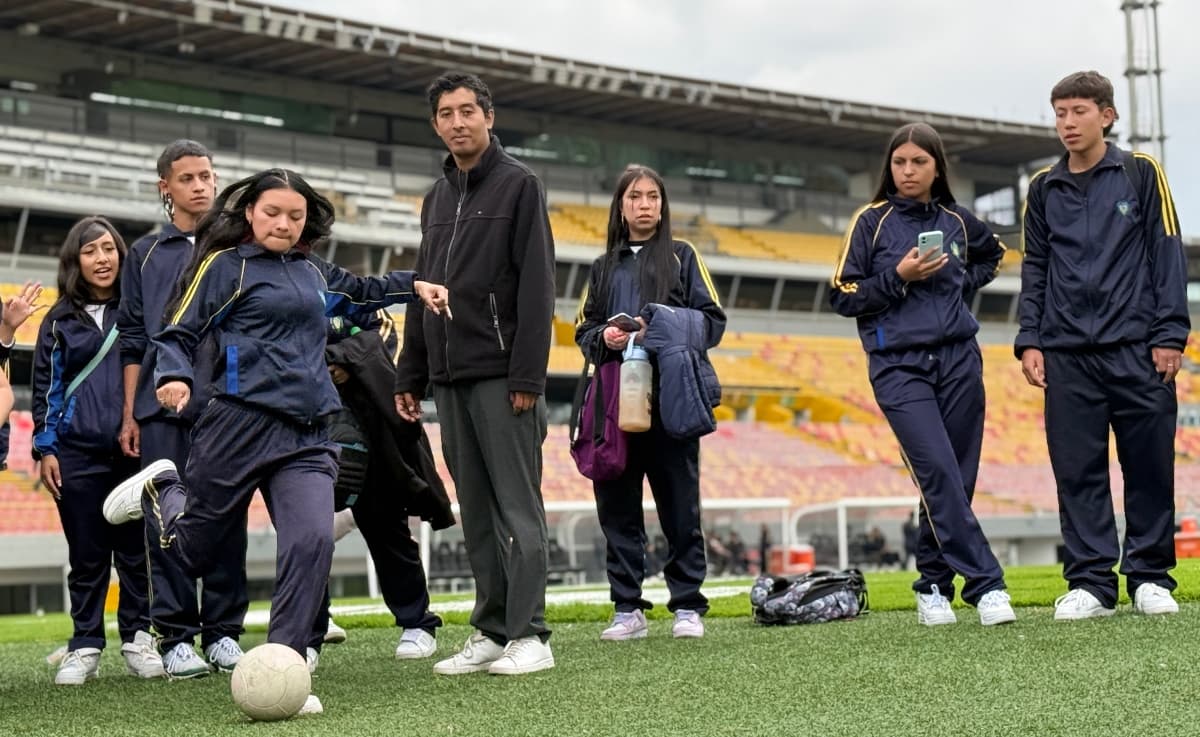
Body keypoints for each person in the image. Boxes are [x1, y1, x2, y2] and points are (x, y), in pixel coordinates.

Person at [102, 168, 448, 713]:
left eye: (296, 215)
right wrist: (174, 375)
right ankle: (161, 490)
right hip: (238, 424)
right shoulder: (224, 267)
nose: (284, 224)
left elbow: (360, 292)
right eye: (272, 213)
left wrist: (415, 285)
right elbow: (177, 329)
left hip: (309, 432)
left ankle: (286, 666)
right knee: (193, 550)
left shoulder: (313, 271)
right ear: (249, 214)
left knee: (311, 541)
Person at [394, 72, 556, 676]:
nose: (457, 121)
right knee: (478, 513)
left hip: (502, 374)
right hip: (448, 376)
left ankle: (531, 634)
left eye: (467, 110)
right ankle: (492, 629)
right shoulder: (436, 198)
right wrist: (410, 374)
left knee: (518, 508)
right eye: (445, 113)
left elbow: (539, 289)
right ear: (435, 124)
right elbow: (422, 288)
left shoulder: (521, 186)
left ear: (489, 116)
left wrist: (528, 377)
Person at [1017, 71, 1188, 620]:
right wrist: (1030, 339)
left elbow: (1166, 253)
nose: (1067, 123)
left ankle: (1149, 576)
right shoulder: (1043, 188)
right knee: (1078, 470)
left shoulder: (1141, 174)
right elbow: (1036, 268)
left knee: (1149, 467)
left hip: (1138, 349)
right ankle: (1091, 583)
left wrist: (1169, 334)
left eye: (1078, 111)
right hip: (1066, 354)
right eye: (1060, 112)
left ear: (1106, 115)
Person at [830, 122, 1015, 627]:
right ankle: (987, 585)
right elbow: (841, 295)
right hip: (898, 366)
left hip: (959, 360)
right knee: (936, 470)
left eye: (919, 163)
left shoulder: (957, 220)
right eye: (899, 162)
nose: (907, 171)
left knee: (957, 478)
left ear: (938, 168)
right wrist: (898, 278)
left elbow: (994, 255)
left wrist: (959, 287)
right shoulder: (871, 221)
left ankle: (932, 585)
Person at [574, 164, 725, 641]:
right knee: (616, 505)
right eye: (635, 196)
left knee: (680, 507)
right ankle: (627, 607)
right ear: (620, 206)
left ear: (663, 205)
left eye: (653, 196)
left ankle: (687, 605)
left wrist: (658, 325)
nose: (645, 204)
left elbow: (712, 322)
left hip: (672, 397)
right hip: (615, 403)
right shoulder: (601, 267)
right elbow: (583, 331)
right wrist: (609, 337)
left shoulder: (683, 256)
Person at [116, 139, 248, 678]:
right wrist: (130, 413)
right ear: (164, 187)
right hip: (159, 410)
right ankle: (174, 636)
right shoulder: (144, 253)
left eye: (208, 176)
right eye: (189, 177)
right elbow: (130, 340)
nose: (201, 185)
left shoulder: (238, 248)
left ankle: (223, 633)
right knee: (165, 521)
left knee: (227, 517)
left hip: (227, 406)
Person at [32, 217, 164, 684]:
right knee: (87, 558)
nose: (102, 258)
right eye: (90, 251)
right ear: (76, 261)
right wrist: (45, 448)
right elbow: (46, 389)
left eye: (109, 248)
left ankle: (138, 638)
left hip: (133, 453)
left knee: (135, 554)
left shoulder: (139, 310)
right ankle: (85, 645)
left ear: (121, 255)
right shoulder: (59, 320)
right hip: (76, 454)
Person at [311, 308, 453, 662]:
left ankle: (417, 623)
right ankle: (309, 628)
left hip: (370, 429)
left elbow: (386, 336)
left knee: (386, 527)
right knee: (305, 533)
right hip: (306, 424)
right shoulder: (266, 283)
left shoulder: (345, 289)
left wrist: (339, 360)